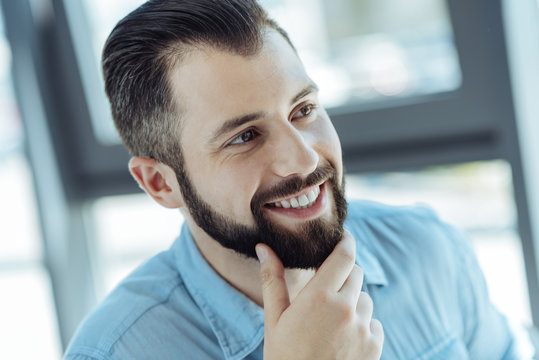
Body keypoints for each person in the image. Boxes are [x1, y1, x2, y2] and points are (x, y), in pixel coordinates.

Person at [64, 0, 534, 359]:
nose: (304, 158)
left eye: (303, 110)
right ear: (160, 184)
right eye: (245, 136)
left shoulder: (429, 251)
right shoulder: (117, 352)